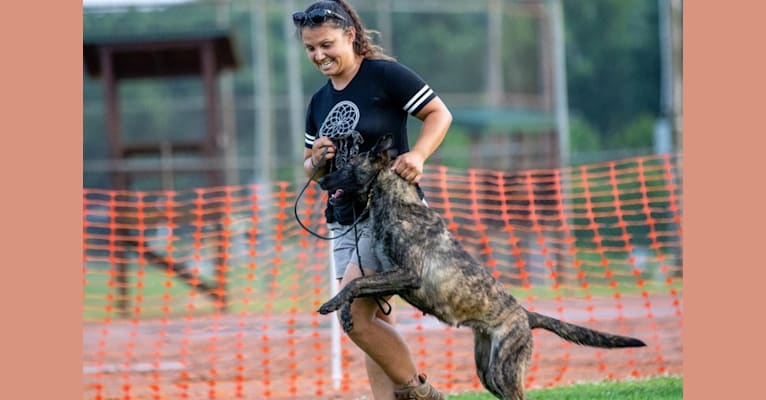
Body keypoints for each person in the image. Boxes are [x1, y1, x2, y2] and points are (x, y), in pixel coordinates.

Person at [293, 1, 452, 399]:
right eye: (310, 48)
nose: (319, 55)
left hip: (390, 214)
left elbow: (439, 114)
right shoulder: (318, 102)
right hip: (342, 220)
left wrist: (417, 156)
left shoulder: (384, 75)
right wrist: (316, 159)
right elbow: (312, 174)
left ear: (350, 35)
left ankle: (422, 394)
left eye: (326, 44)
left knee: (353, 315)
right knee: (370, 322)